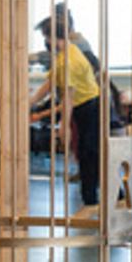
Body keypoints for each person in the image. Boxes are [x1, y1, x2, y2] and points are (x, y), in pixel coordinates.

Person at [29, 15, 103, 207]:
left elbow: (68, 96)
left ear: (51, 37)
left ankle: (91, 201)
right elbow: (51, 82)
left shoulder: (68, 60)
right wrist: (29, 102)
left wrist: (64, 126)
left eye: (46, 37)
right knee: (89, 153)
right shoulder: (64, 54)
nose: (46, 42)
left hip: (89, 107)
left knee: (89, 154)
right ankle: (115, 195)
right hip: (83, 106)